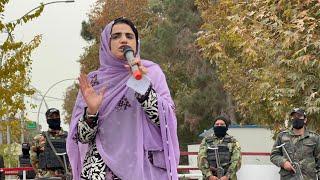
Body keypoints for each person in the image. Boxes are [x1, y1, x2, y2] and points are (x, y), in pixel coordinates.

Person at [66, 17, 179, 180]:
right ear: (107, 43)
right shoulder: (94, 82)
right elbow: (81, 137)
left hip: (143, 168)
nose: (123, 39)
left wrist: (142, 85)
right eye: (116, 36)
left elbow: (165, 120)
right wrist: (92, 111)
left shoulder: (151, 73)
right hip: (101, 171)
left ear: (136, 43)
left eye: (129, 36)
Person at [270, 108, 320, 179]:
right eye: (294, 117)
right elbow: (274, 155)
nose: (296, 118)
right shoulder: (282, 136)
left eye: (299, 116)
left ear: (305, 120)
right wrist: (283, 163)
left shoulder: (314, 138)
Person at [30, 108, 70, 179]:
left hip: (65, 176)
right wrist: (40, 174)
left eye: (56, 116)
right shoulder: (39, 138)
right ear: (47, 119)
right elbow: (33, 159)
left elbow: (74, 157)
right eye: (51, 116)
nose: (54, 118)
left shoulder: (69, 137)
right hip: (45, 177)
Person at [198, 116, 241, 180]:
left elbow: (237, 160)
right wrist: (209, 175)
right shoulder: (206, 140)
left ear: (226, 127)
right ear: (214, 127)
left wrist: (227, 176)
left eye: (222, 124)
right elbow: (201, 158)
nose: (219, 126)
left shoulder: (233, 141)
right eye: (217, 124)